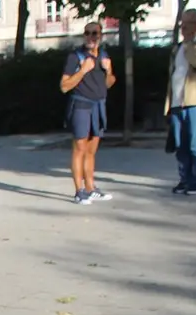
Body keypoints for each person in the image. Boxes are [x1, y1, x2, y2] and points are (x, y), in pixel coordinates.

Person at [59, 22, 116, 205]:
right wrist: (83, 70)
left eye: (95, 34)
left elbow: (109, 83)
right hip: (81, 105)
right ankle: (79, 191)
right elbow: (64, 86)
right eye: (87, 33)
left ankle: (91, 188)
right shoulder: (75, 57)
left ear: (101, 35)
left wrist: (109, 71)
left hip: (99, 106)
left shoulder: (104, 56)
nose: (91, 37)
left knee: (92, 150)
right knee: (80, 149)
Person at [164, 9, 196, 195]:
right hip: (177, 101)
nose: (184, 27)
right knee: (180, 144)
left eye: (188, 23)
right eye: (182, 23)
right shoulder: (177, 48)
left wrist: (189, 45)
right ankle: (184, 179)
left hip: (195, 101)